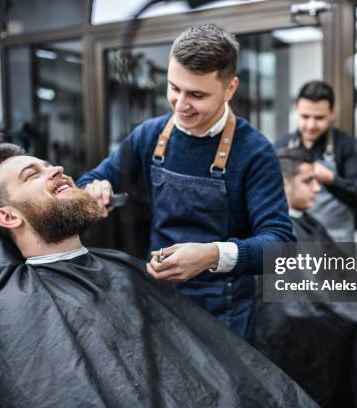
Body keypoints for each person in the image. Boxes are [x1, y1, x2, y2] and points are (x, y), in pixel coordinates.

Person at [0, 144, 316, 408]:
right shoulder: (16, 313)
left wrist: (212, 254)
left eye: (51, 165)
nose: (57, 170)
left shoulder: (122, 270)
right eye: (34, 174)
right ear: (9, 217)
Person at [77, 24, 295, 341]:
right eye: (174, 88)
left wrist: (211, 256)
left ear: (229, 89)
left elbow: (281, 247)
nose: (180, 105)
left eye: (196, 94)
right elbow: (91, 179)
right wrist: (94, 188)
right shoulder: (149, 136)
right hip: (160, 299)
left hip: (224, 311)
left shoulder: (254, 152)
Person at [253, 148, 357, 408]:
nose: (317, 188)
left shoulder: (308, 222)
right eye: (308, 181)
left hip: (328, 304)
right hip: (308, 323)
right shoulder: (276, 233)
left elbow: (344, 269)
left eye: (317, 179)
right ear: (282, 183)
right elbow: (299, 303)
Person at [274, 81, 357, 242]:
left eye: (319, 118)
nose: (311, 125)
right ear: (296, 110)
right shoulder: (281, 148)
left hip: (338, 242)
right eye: (305, 117)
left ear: (332, 113)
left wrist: (331, 180)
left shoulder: (347, 147)